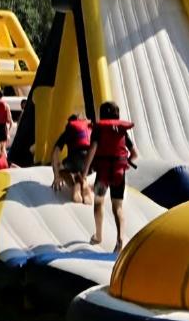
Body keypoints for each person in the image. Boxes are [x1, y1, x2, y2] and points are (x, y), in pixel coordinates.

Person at [83, 101, 138, 253]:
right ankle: (120, 239)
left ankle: (98, 235)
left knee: (98, 202)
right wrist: (125, 162)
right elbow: (135, 154)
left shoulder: (99, 129)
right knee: (118, 208)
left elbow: (92, 150)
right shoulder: (122, 131)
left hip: (103, 173)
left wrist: (84, 172)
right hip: (119, 173)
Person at [52, 114, 94, 204]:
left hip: (76, 162)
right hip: (91, 163)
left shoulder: (69, 130)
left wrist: (56, 176)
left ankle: (74, 187)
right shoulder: (89, 129)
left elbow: (55, 153)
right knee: (81, 170)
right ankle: (84, 183)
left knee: (62, 169)